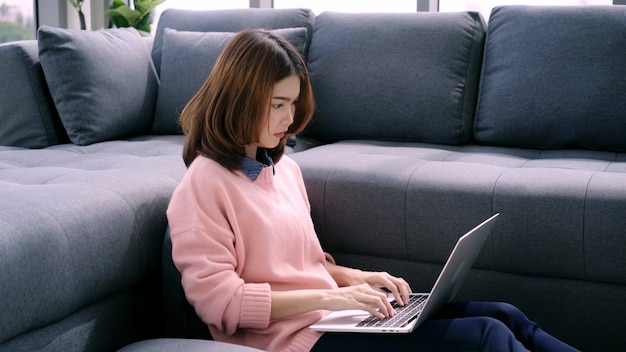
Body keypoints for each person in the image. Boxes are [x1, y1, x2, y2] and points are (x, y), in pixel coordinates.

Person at [166, 29, 579, 352]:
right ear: (240, 99)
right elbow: (219, 304)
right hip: (295, 341)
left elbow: (302, 264)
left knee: (504, 315)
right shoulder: (204, 184)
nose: (289, 119)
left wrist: (356, 278)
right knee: (485, 337)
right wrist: (330, 301)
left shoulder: (284, 170)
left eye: (293, 103)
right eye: (278, 104)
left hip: (331, 319)